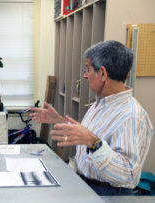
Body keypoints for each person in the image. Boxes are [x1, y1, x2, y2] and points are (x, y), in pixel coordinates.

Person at [30, 40, 153, 195]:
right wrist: (59, 120)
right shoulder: (101, 103)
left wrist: (94, 143)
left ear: (102, 73)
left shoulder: (131, 116)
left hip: (109, 194)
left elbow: (128, 174)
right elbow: (89, 136)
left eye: (87, 69)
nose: (85, 75)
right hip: (85, 184)